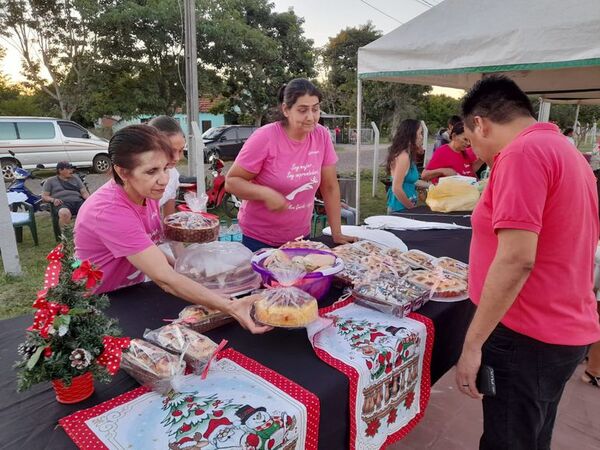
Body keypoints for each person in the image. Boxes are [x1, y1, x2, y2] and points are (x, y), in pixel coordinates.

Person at [455, 75, 600, 449]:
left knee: (509, 438)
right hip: (558, 328)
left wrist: (472, 344)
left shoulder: (521, 155)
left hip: (525, 333)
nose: (476, 155)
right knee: (532, 436)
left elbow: (518, 258)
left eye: (471, 143)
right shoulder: (566, 151)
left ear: (479, 124)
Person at [74, 125, 269, 334]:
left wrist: (185, 269)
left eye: (165, 168)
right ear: (122, 172)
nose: (164, 179)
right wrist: (231, 307)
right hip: (98, 305)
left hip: (130, 293)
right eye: (152, 171)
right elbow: (165, 279)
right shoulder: (109, 211)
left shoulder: (143, 192)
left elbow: (147, 245)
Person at [225, 78, 356, 251]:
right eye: (303, 110)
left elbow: (330, 187)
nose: (311, 117)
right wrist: (265, 193)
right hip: (259, 239)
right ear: (286, 109)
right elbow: (232, 181)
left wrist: (336, 232)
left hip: (300, 237)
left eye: (315, 109)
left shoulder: (321, 136)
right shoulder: (265, 137)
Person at [148, 115, 186, 218]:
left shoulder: (173, 174)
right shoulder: (140, 178)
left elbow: (168, 219)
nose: (177, 158)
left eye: (181, 150)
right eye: (170, 150)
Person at [386, 119, 424, 212]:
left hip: (404, 207)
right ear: (411, 136)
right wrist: (411, 208)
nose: (422, 137)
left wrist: (431, 186)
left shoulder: (408, 155)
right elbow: (396, 188)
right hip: (400, 209)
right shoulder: (403, 157)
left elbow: (410, 180)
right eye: (420, 133)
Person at [41, 161, 90, 226]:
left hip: (78, 201)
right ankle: (65, 235)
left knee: (91, 210)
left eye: (71, 168)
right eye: (68, 169)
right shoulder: (50, 181)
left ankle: (88, 233)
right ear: (60, 170)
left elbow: (84, 192)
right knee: (64, 213)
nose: (71, 171)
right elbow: (44, 196)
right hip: (62, 203)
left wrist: (90, 200)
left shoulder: (76, 179)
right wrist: (53, 200)